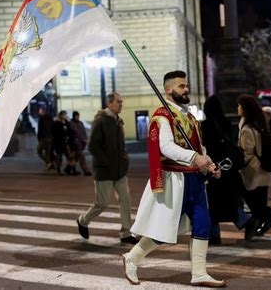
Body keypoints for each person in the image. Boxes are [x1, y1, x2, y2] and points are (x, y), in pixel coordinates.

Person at [122, 71, 226, 287]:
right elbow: (165, 147)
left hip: (195, 181)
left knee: (203, 224)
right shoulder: (162, 115)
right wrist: (194, 157)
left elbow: (199, 147)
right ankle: (132, 258)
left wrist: (209, 165)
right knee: (163, 231)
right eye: (181, 86)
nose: (185, 89)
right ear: (168, 90)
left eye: (186, 85)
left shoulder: (188, 117)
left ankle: (199, 273)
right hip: (174, 181)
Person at [77, 93, 137, 244]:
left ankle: (126, 233)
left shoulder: (118, 120)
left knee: (126, 200)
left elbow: (120, 145)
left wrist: (124, 159)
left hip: (119, 170)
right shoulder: (100, 120)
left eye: (121, 102)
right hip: (105, 170)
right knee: (102, 204)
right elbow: (92, 145)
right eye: (118, 102)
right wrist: (105, 162)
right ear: (109, 104)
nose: (121, 104)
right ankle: (83, 220)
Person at [201, 95, 255, 244]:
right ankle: (246, 222)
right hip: (228, 168)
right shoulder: (225, 123)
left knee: (211, 204)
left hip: (214, 168)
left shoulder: (206, 125)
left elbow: (206, 145)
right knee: (228, 202)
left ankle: (215, 236)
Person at [238, 95, 271, 239]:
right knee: (259, 200)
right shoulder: (259, 124)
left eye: (239, 106)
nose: (238, 108)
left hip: (253, 170)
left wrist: (239, 164)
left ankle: (265, 219)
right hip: (264, 170)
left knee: (249, 197)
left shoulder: (247, 128)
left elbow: (247, 152)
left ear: (245, 109)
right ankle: (262, 222)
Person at [52, 110, 76, 175]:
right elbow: (55, 133)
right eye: (64, 114)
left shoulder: (67, 122)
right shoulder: (56, 123)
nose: (65, 116)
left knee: (70, 156)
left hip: (66, 143)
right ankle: (58, 170)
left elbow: (70, 132)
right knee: (59, 157)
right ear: (60, 115)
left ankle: (73, 170)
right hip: (59, 143)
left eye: (65, 114)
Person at [69, 111, 92, 176]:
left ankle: (68, 168)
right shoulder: (71, 124)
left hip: (82, 144)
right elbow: (73, 134)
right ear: (74, 116)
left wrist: (85, 139)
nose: (78, 117)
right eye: (76, 116)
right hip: (76, 144)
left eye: (78, 116)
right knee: (82, 158)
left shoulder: (80, 123)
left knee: (76, 157)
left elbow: (83, 132)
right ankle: (86, 171)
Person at [37, 106, 54, 170]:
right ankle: (48, 166)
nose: (39, 112)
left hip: (44, 138)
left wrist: (39, 138)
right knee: (47, 152)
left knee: (39, 151)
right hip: (50, 137)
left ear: (42, 111)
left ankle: (49, 163)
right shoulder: (50, 118)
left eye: (40, 110)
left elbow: (40, 129)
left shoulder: (41, 119)